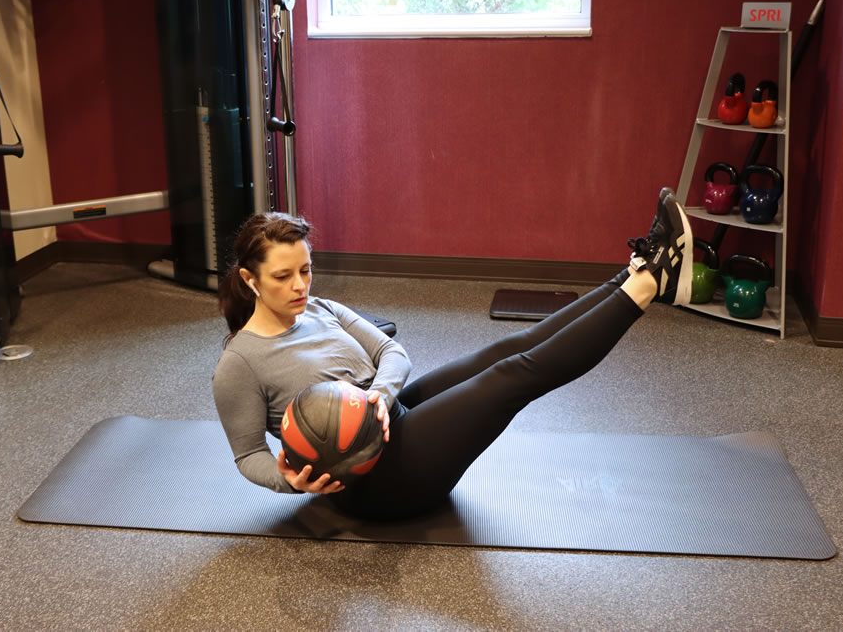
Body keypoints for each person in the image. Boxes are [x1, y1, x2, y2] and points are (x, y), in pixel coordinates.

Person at [212, 188, 693, 521]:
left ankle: (632, 273)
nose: (300, 285)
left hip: (389, 415)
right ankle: (650, 285)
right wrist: (290, 483)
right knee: (511, 377)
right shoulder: (239, 363)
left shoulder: (320, 307)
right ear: (250, 280)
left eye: (306, 269)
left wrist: (378, 395)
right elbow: (248, 455)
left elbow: (390, 351)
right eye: (282, 277)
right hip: (377, 483)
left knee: (505, 349)